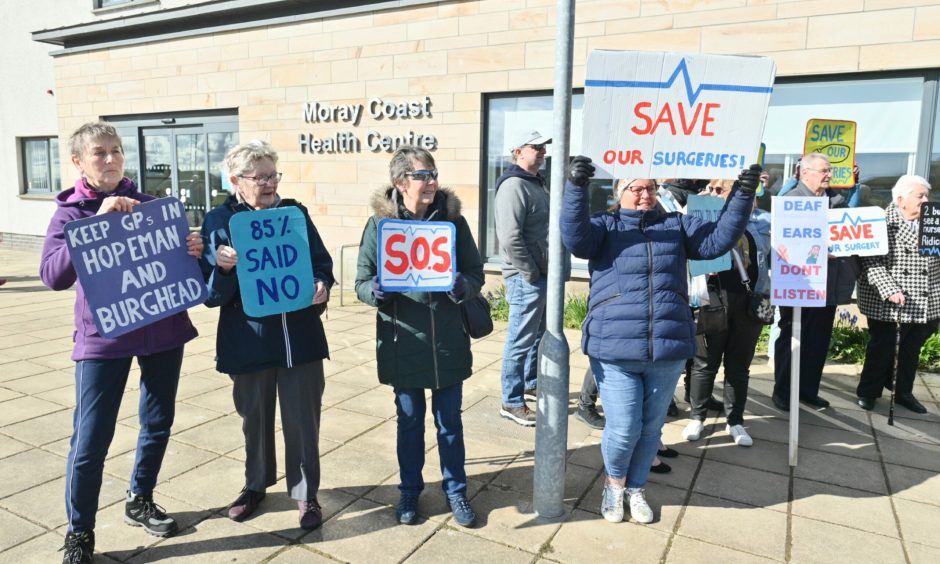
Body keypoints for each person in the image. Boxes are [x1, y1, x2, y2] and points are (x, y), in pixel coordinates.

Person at [561, 156, 760, 524]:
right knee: (623, 429)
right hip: (615, 347)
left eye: (650, 188)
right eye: (635, 189)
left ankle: (636, 489)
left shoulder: (676, 225)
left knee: (651, 430)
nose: (644, 196)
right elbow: (575, 238)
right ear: (620, 193)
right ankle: (614, 485)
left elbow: (718, 240)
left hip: (667, 347)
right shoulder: (604, 226)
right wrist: (576, 188)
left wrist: (743, 195)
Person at [40, 121, 203, 564]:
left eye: (115, 151)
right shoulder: (71, 213)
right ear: (79, 161)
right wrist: (94, 224)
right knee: (91, 439)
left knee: (157, 422)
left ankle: (140, 498)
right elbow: (52, 276)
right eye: (99, 153)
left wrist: (191, 249)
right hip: (104, 338)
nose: (110, 159)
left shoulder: (152, 207)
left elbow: (185, 268)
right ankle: (80, 532)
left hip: (163, 331)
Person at [200, 140, 333, 530]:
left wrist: (322, 284)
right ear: (236, 180)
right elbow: (210, 295)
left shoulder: (295, 214)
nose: (269, 183)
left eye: (273, 175)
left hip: (300, 341)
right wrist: (222, 269)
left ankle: (306, 494)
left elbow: (321, 264)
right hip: (249, 341)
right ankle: (255, 486)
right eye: (260, 177)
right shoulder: (219, 222)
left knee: (303, 422)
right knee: (254, 419)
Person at [355, 146, 485, 528]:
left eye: (433, 174)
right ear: (400, 182)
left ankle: (456, 490)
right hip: (402, 341)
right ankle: (409, 490)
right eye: (422, 175)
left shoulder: (453, 223)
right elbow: (361, 279)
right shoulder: (380, 226)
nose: (431, 182)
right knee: (409, 423)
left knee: (450, 423)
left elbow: (475, 273)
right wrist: (374, 291)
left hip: (447, 340)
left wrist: (464, 285)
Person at [682, 179, 771, 447]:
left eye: (719, 190)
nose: (712, 194)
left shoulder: (762, 221)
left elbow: (781, 254)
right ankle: (697, 417)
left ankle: (735, 421)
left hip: (748, 301)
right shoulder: (699, 219)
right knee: (704, 363)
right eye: (712, 190)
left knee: (738, 367)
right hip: (712, 298)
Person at [771, 153, 859, 412]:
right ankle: (783, 391)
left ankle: (808, 390)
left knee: (818, 340)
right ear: (805, 172)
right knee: (793, 337)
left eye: (830, 170)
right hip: (800, 283)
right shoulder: (791, 200)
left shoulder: (836, 201)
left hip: (828, 285)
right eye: (824, 170)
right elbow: (785, 241)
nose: (829, 175)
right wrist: (820, 249)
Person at [856, 175, 937, 414]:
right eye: (920, 195)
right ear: (901, 199)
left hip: (927, 300)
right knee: (882, 347)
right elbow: (870, 261)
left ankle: (903, 392)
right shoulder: (880, 221)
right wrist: (890, 290)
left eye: (926, 196)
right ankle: (868, 392)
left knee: (911, 351)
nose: (926, 200)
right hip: (889, 300)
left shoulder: (933, 222)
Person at [494, 131, 552, 426]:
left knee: (535, 336)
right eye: (536, 147)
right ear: (518, 151)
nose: (542, 151)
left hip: (537, 274)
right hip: (524, 277)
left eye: (543, 147)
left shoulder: (535, 183)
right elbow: (510, 237)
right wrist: (530, 272)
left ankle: (529, 383)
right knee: (519, 339)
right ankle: (511, 401)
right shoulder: (514, 186)